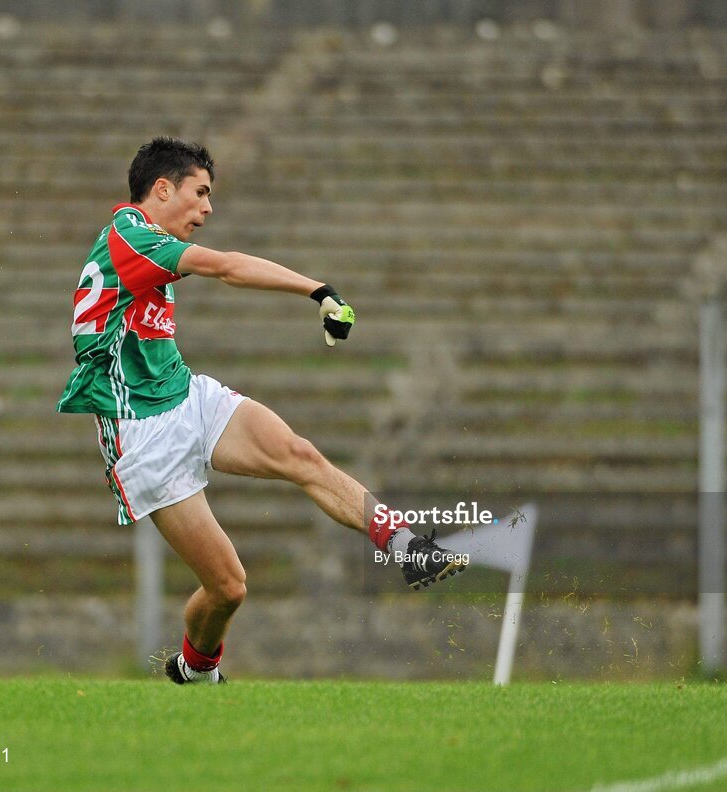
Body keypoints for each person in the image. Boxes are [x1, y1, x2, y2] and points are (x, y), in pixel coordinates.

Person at [56, 137, 467, 684]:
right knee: (228, 588)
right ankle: (194, 668)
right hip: (140, 435)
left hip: (185, 396)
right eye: (200, 193)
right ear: (162, 189)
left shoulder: (143, 240)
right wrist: (318, 290)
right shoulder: (130, 235)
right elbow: (225, 267)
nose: (208, 208)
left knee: (298, 454)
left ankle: (406, 546)